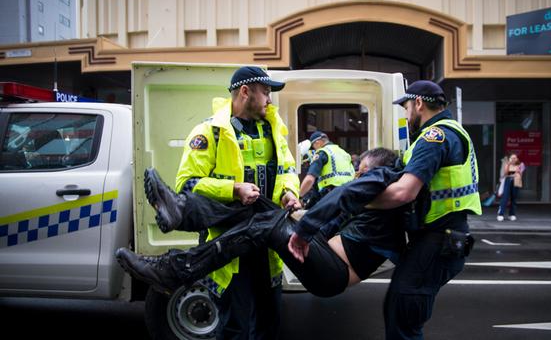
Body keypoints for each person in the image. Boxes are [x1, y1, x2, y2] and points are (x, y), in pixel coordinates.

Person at [116, 148, 413, 298]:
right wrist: (296, 213)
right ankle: (182, 211)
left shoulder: (384, 180)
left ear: (379, 172)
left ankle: (176, 270)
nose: (357, 177)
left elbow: (346, 195)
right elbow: (329, 225)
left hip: (333, 274)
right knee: (255, 202)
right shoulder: (378, 196)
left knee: (268, 226)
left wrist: (303, 231)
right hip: (326, 253)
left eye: (362, 172)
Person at [149, 66, 301, 340]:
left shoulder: (273, 130)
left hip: (268, 245)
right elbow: (187, 183)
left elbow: (287, 170)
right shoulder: (209, 132)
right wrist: (233, 189)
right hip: (231, 248)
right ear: (245, 92)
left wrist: (289, 192)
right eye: (265, 92)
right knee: (236, 328)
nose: (269, 99)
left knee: (270, 324)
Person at [357, 80, 481, 340]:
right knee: (400, 309)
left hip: (437, 240)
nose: (406, 114)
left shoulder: (434, 136)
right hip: (442, 237)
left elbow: (404, 192)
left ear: (419, 103)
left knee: (404, 316)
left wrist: (356, 201)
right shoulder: (450, 131)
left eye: (406, 108)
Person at [298, 131, 355, 238]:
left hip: (331, 200)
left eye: (313, 147)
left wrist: (298, 196)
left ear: (318, 142)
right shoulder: (344, 153)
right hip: (348, 200)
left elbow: (310, 179)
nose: (314, 150)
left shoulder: (322, 153)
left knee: (321, 238)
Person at [496, 152, 525, 222]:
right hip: (508, 181)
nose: (513, 159)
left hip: (516, 182)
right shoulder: (507, 164)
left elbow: (520, 174)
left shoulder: (521, 165)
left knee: (513, 198)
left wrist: (514, 173)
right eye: (512, 158)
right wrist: (510, 168)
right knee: (505, 197)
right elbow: (505, 174)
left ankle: (512, 214)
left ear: (517, 159)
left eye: (515, 158)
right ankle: (501, 214)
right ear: (509, 159)